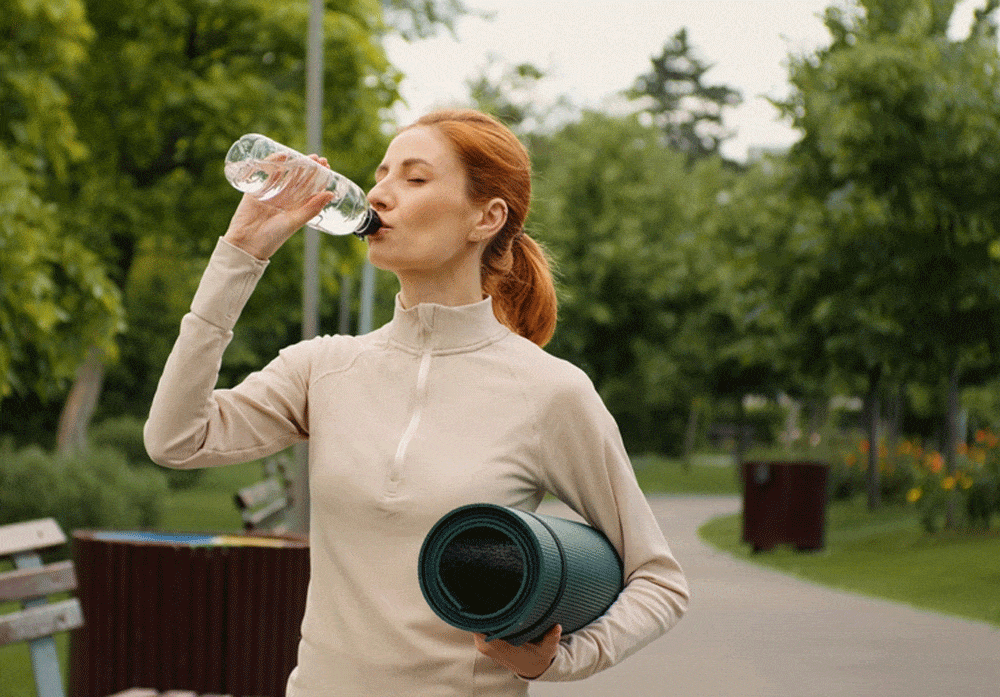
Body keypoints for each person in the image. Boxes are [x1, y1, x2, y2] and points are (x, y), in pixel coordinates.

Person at [145, 109, 689, 696]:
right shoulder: (323, 367)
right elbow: (176, 438)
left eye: (414, 177)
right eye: (381, 174)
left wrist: (558, 661)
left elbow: (657, 580)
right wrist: (239, 257)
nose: (380, 193)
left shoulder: (549, 391)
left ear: (487, 217)